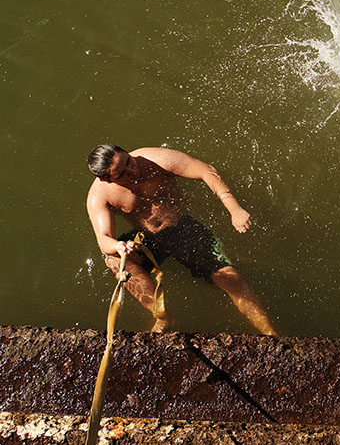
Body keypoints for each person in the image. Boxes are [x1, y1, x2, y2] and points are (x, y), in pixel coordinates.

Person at [86, 144, 277, 336]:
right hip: (147, 236)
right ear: (107, 179)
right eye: (121, 174)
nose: (132, 170)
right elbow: (104, 239)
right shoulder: (99, 196)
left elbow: (206, 171)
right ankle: (162, 315)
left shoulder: (155, 160)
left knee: (229, 278)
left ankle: (269, 334)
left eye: (128, 161)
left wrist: (234, 209)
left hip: (181, 227)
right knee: (114, 261)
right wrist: (119, 246)